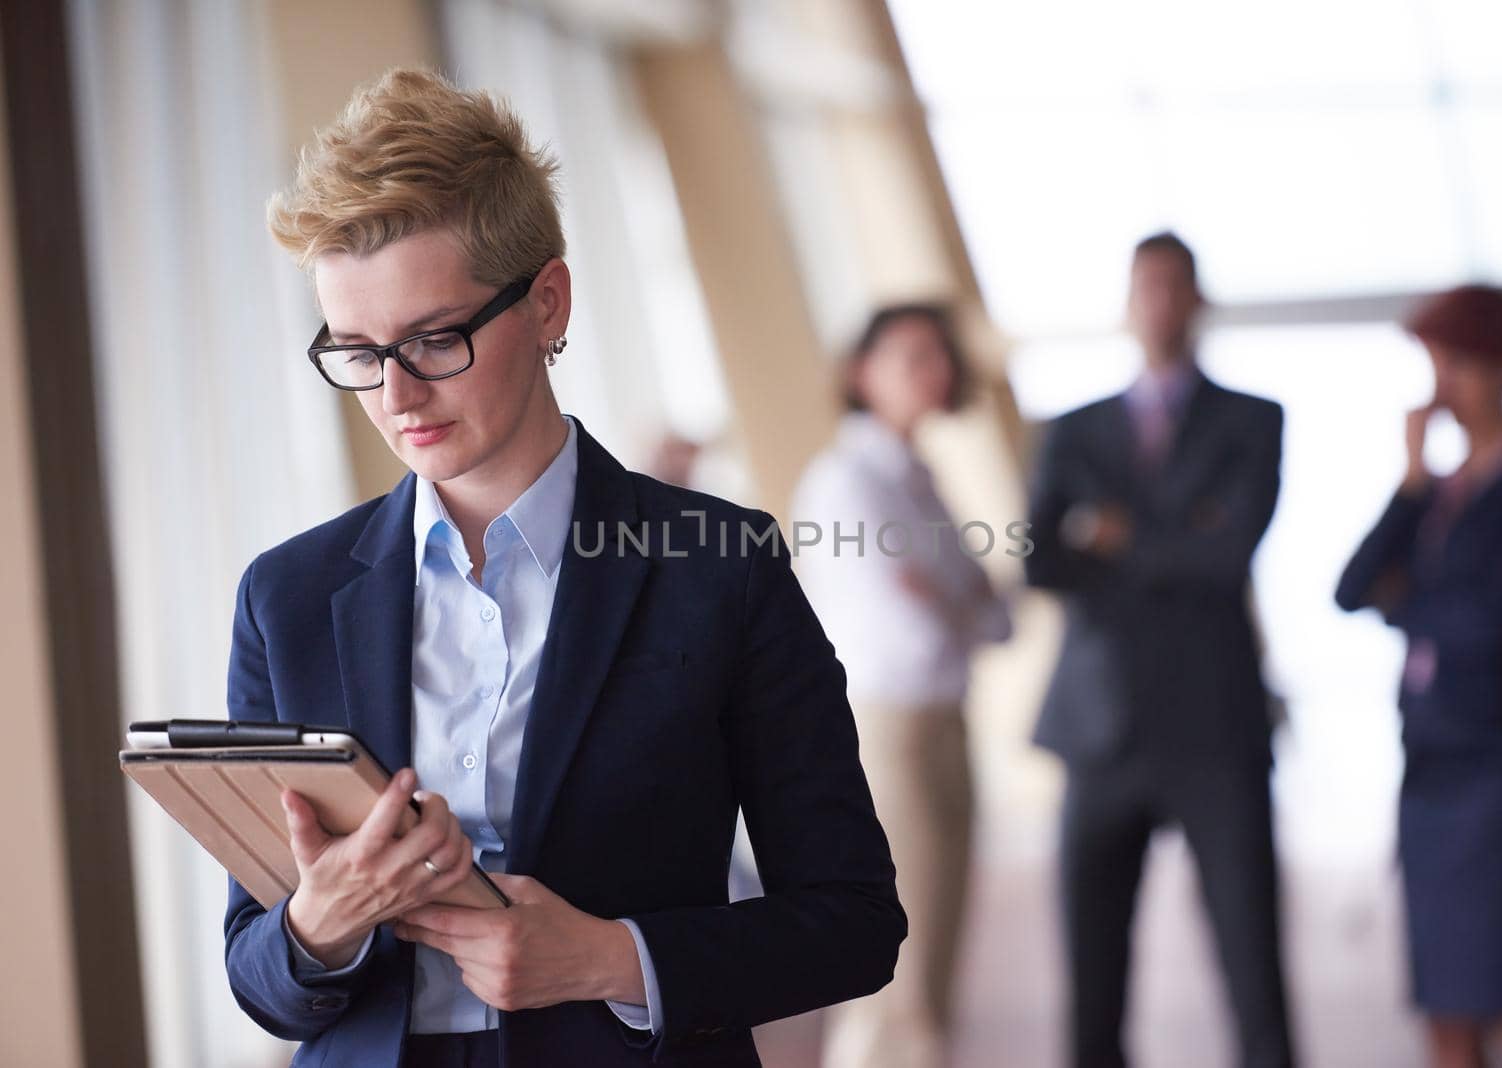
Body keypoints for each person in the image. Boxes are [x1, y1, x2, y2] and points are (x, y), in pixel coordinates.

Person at [222, 69, 904, 1068]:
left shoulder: (719, 566)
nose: (395, 393)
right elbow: (255, 970)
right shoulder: (286, 597)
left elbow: (852, 920)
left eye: (434, 339)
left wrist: (607, 959)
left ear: (547, 302)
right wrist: (315, 929)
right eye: (358, 352)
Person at [1025, 233, 1293, 1068]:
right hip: (1100, 726)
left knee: (1255, 973)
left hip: (1216, 728)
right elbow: (1042, 560)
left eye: (1174, 285)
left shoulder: (1254, 419)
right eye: (1145, 285)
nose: (1160, 302)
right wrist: (1178, 535)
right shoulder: (1070, 430)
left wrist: (1114, 533)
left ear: (1198, 298)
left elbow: (1227, 557)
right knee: (1092, 982)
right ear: (1127, 301)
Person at [1336, 285, 1502, 1068]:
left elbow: (1496, 622)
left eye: (1456, 364)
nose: (1441, 384)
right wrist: (1412, 484)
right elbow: (1352, 589)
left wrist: (1408, 605)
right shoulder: (1438, 495)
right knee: (1446, 1012)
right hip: (1434, 766)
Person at [792, 304, 1012, 1068]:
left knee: (938, 962)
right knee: (897, 976)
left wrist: (950, 597)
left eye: (938, 354)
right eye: (908, 354)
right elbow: (911, 624)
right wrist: (960, 600)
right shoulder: (847, 481)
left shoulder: (919, 477)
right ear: (862, 371)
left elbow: (999, 618)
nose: (931, 369)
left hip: (946, 723)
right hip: (887, 735)